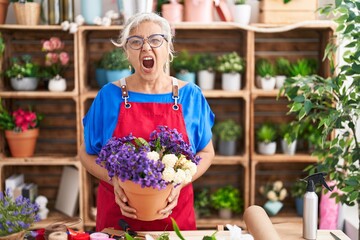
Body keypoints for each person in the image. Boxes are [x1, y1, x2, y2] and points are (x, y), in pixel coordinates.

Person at [80, 12, 215, 232]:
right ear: (126, 52)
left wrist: (181, 182)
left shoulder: (190, 96)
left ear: (168, 47)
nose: (146, 48)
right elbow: (86, 153)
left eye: (155, 40)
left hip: (174, 219)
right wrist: (114, 180)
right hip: (118, 219)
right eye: (135, 42)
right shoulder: (108, 96)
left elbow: (207, 153)